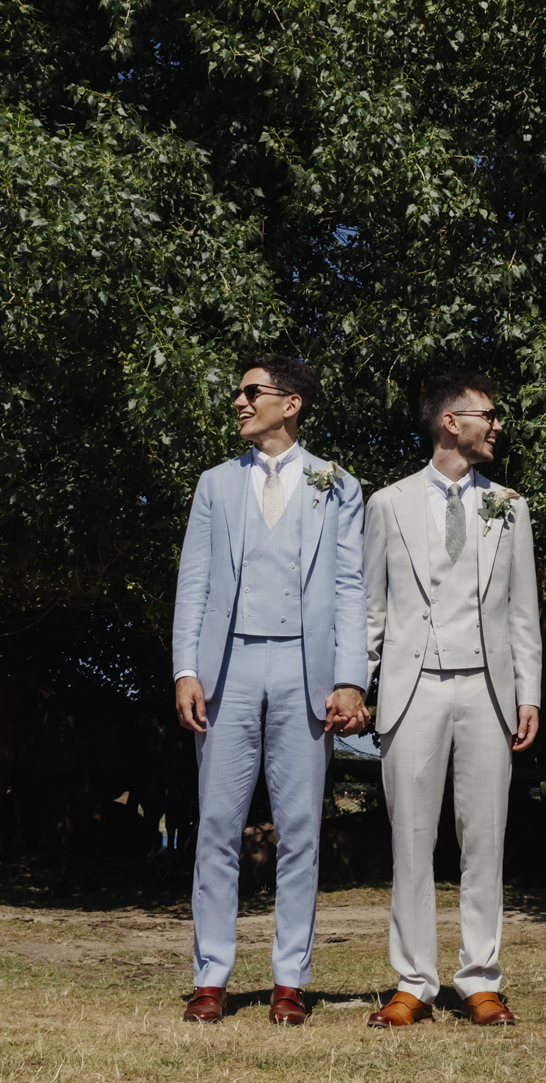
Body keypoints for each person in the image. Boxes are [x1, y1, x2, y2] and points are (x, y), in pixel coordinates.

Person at [170, 353, 369, 1026]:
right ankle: (211, 976)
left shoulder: (337, 484)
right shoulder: (215, 485)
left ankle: (290, 979)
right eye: (238, 392)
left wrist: (349, 677)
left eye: (250, 391)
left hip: (304, 672)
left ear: (292, 403)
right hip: (226, 669)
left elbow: (349, 589)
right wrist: (186, 669)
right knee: (218, 826)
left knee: (301, 828)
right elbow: (194, 583)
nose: (238, 401)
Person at [363, 370, 542, 1027]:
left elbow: (524, 611)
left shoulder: (510, 505)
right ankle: (413, 980)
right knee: (411, 839)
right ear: (450, 421)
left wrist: (530, 692)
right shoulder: (387, 503)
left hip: (488, 688)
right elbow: (370, 611)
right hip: (411, 690)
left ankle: (480, 978)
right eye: (488, 415)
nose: (497, 425)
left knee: (484, 838)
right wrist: (356, 682)